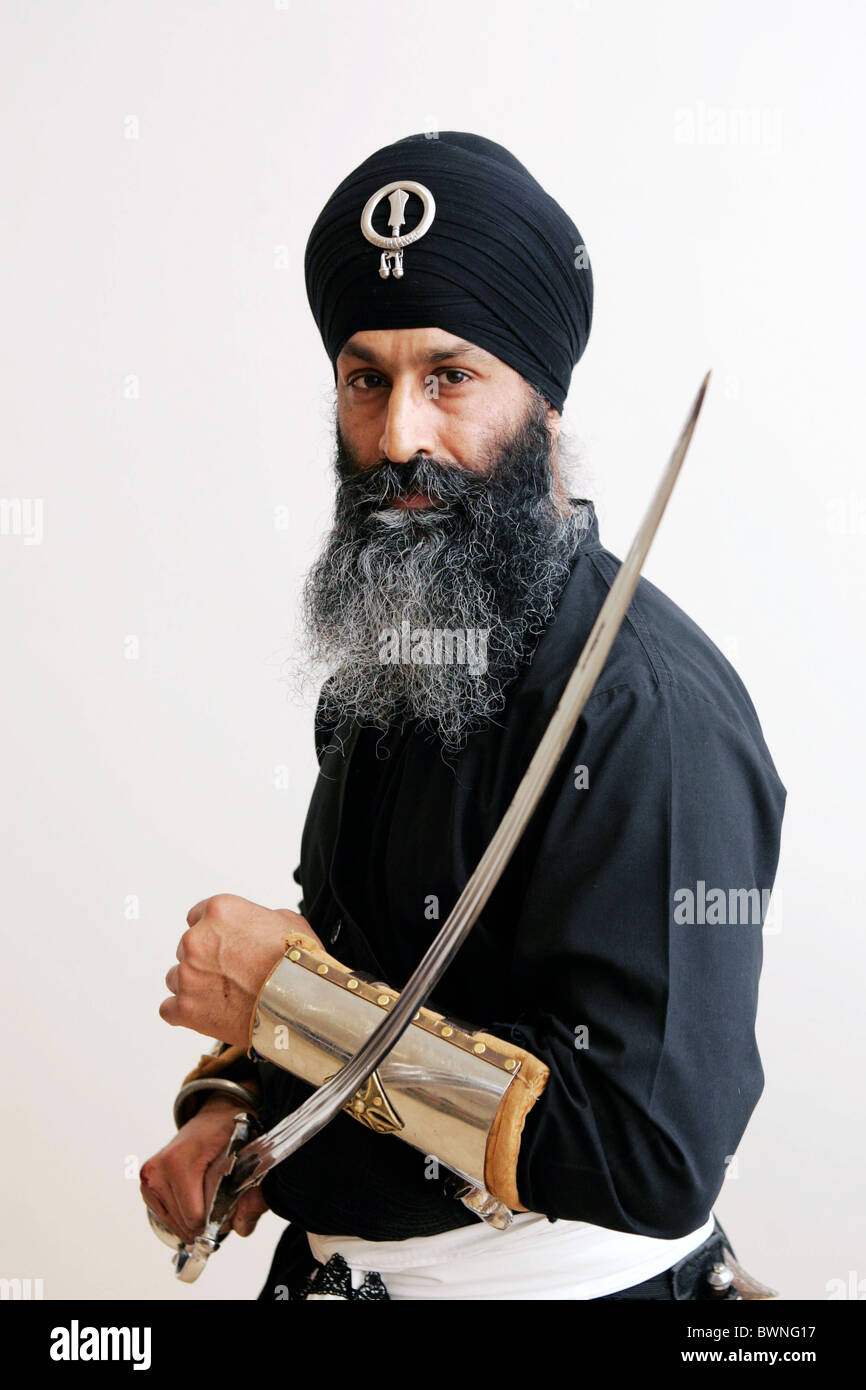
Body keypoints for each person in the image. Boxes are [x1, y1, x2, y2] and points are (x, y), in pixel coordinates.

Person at [140, 132, 786, 1301]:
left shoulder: (649, 710)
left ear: (539, 397)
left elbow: (649, 1158)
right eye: (366, 380)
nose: (398, 438)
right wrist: (240, 1107)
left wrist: (290, 1002)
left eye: (449, 377)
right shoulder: (389, 656)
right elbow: (372, 963)